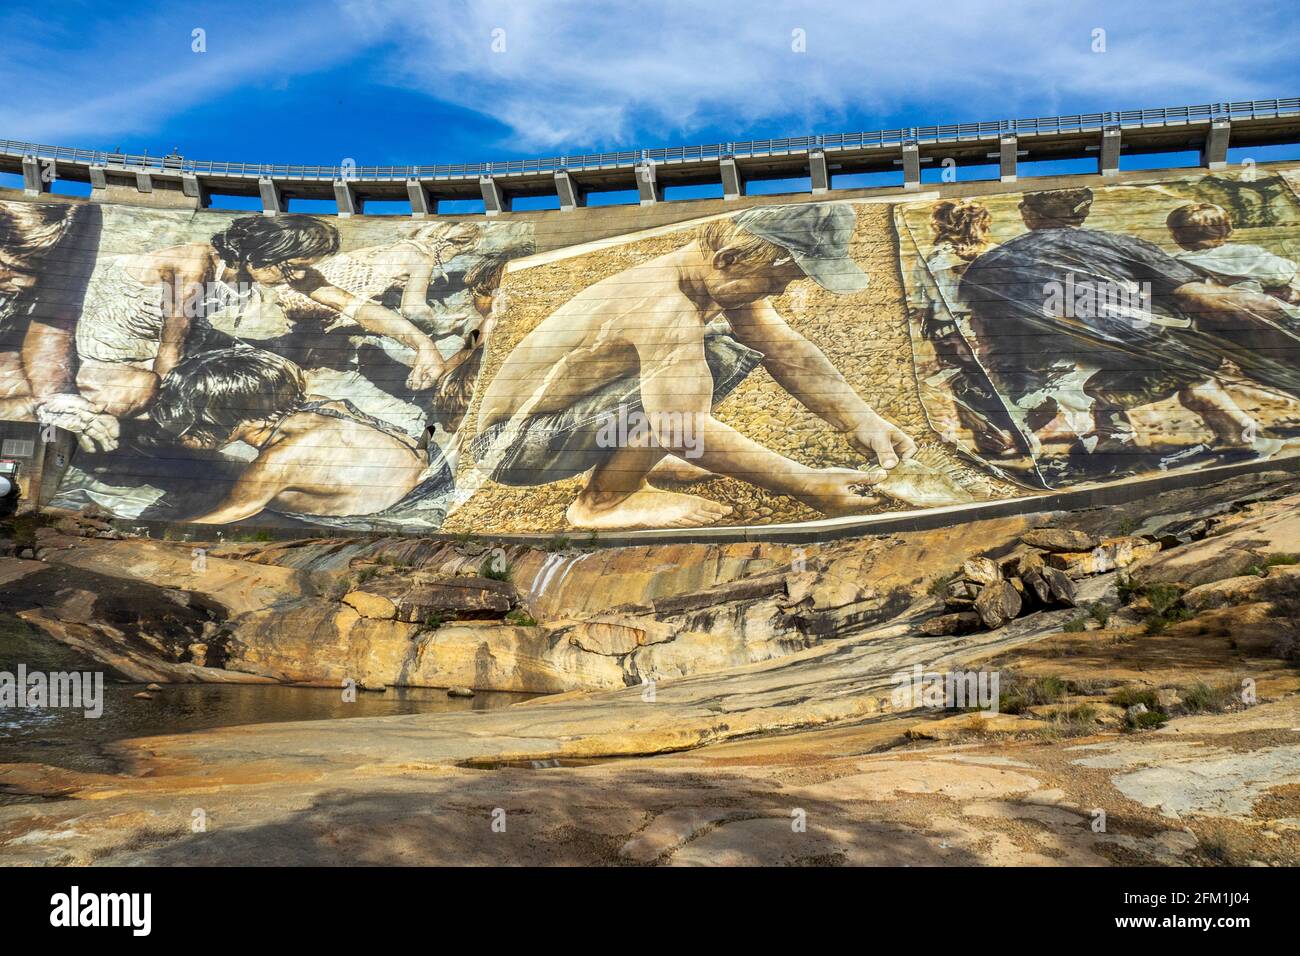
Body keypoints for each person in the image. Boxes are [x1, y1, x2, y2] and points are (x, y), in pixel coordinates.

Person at [470, 202, 916, 530]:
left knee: (711, 352)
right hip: (511, 447)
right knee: (708, 362)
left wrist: (860, 419)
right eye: (776, 281)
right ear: (729, 259)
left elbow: (785, 348)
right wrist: (805, 483)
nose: (777, 294)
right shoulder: (663, 307)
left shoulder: (705, 279)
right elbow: (683, 427)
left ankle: (634, 462)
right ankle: (604, 500)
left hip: (551, 424)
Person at [959, 187, 1300, 479]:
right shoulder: (1121, 246)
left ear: (1027, 212)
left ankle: (1123, 447)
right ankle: (1238, 436)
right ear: (1083, 212)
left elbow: (986, 336)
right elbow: (1199, 299)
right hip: (1158, 349)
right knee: (1186, 378)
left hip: (1073, 365)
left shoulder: (990, 265)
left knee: (1155, 383)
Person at [71, 214, 447, 425]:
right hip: (115, 349)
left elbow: (355, 306)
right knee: (147, 392)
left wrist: (423, 344)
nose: (299, 277)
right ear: (267, 253)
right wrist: (175, 404)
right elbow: (173, 342)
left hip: (167, 339)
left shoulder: (268, 272)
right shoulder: (194, 263)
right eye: (295, 266)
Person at [147, 347, 432, 524]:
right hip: (425, 472)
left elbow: (216, 520)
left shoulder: (276, 463)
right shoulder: (321, 403)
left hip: (402, 509)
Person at [0, 201, 118, 451]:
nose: (28, 283)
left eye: (38, 271)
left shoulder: (81, 216)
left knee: (125, 392)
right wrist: (29, 406)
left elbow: (52, 317)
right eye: (12, 267)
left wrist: (56, 400)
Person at [906, 200, 1017, 455]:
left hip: (947, 331)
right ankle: (1018, 436)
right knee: (999, 381)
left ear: (941, 225)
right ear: (982, 224)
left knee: (964, 386)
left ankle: (990, 441)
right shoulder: (996, 253)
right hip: (988, 328)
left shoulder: (931, 257)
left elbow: (921, 301)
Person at [1167, 202, 1300, 307]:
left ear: (1178, 237)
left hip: (1233, 307)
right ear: (1229, 231)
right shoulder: (1248, 252)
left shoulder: (1180, 261)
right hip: (1267, 299)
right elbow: (1284, 271)